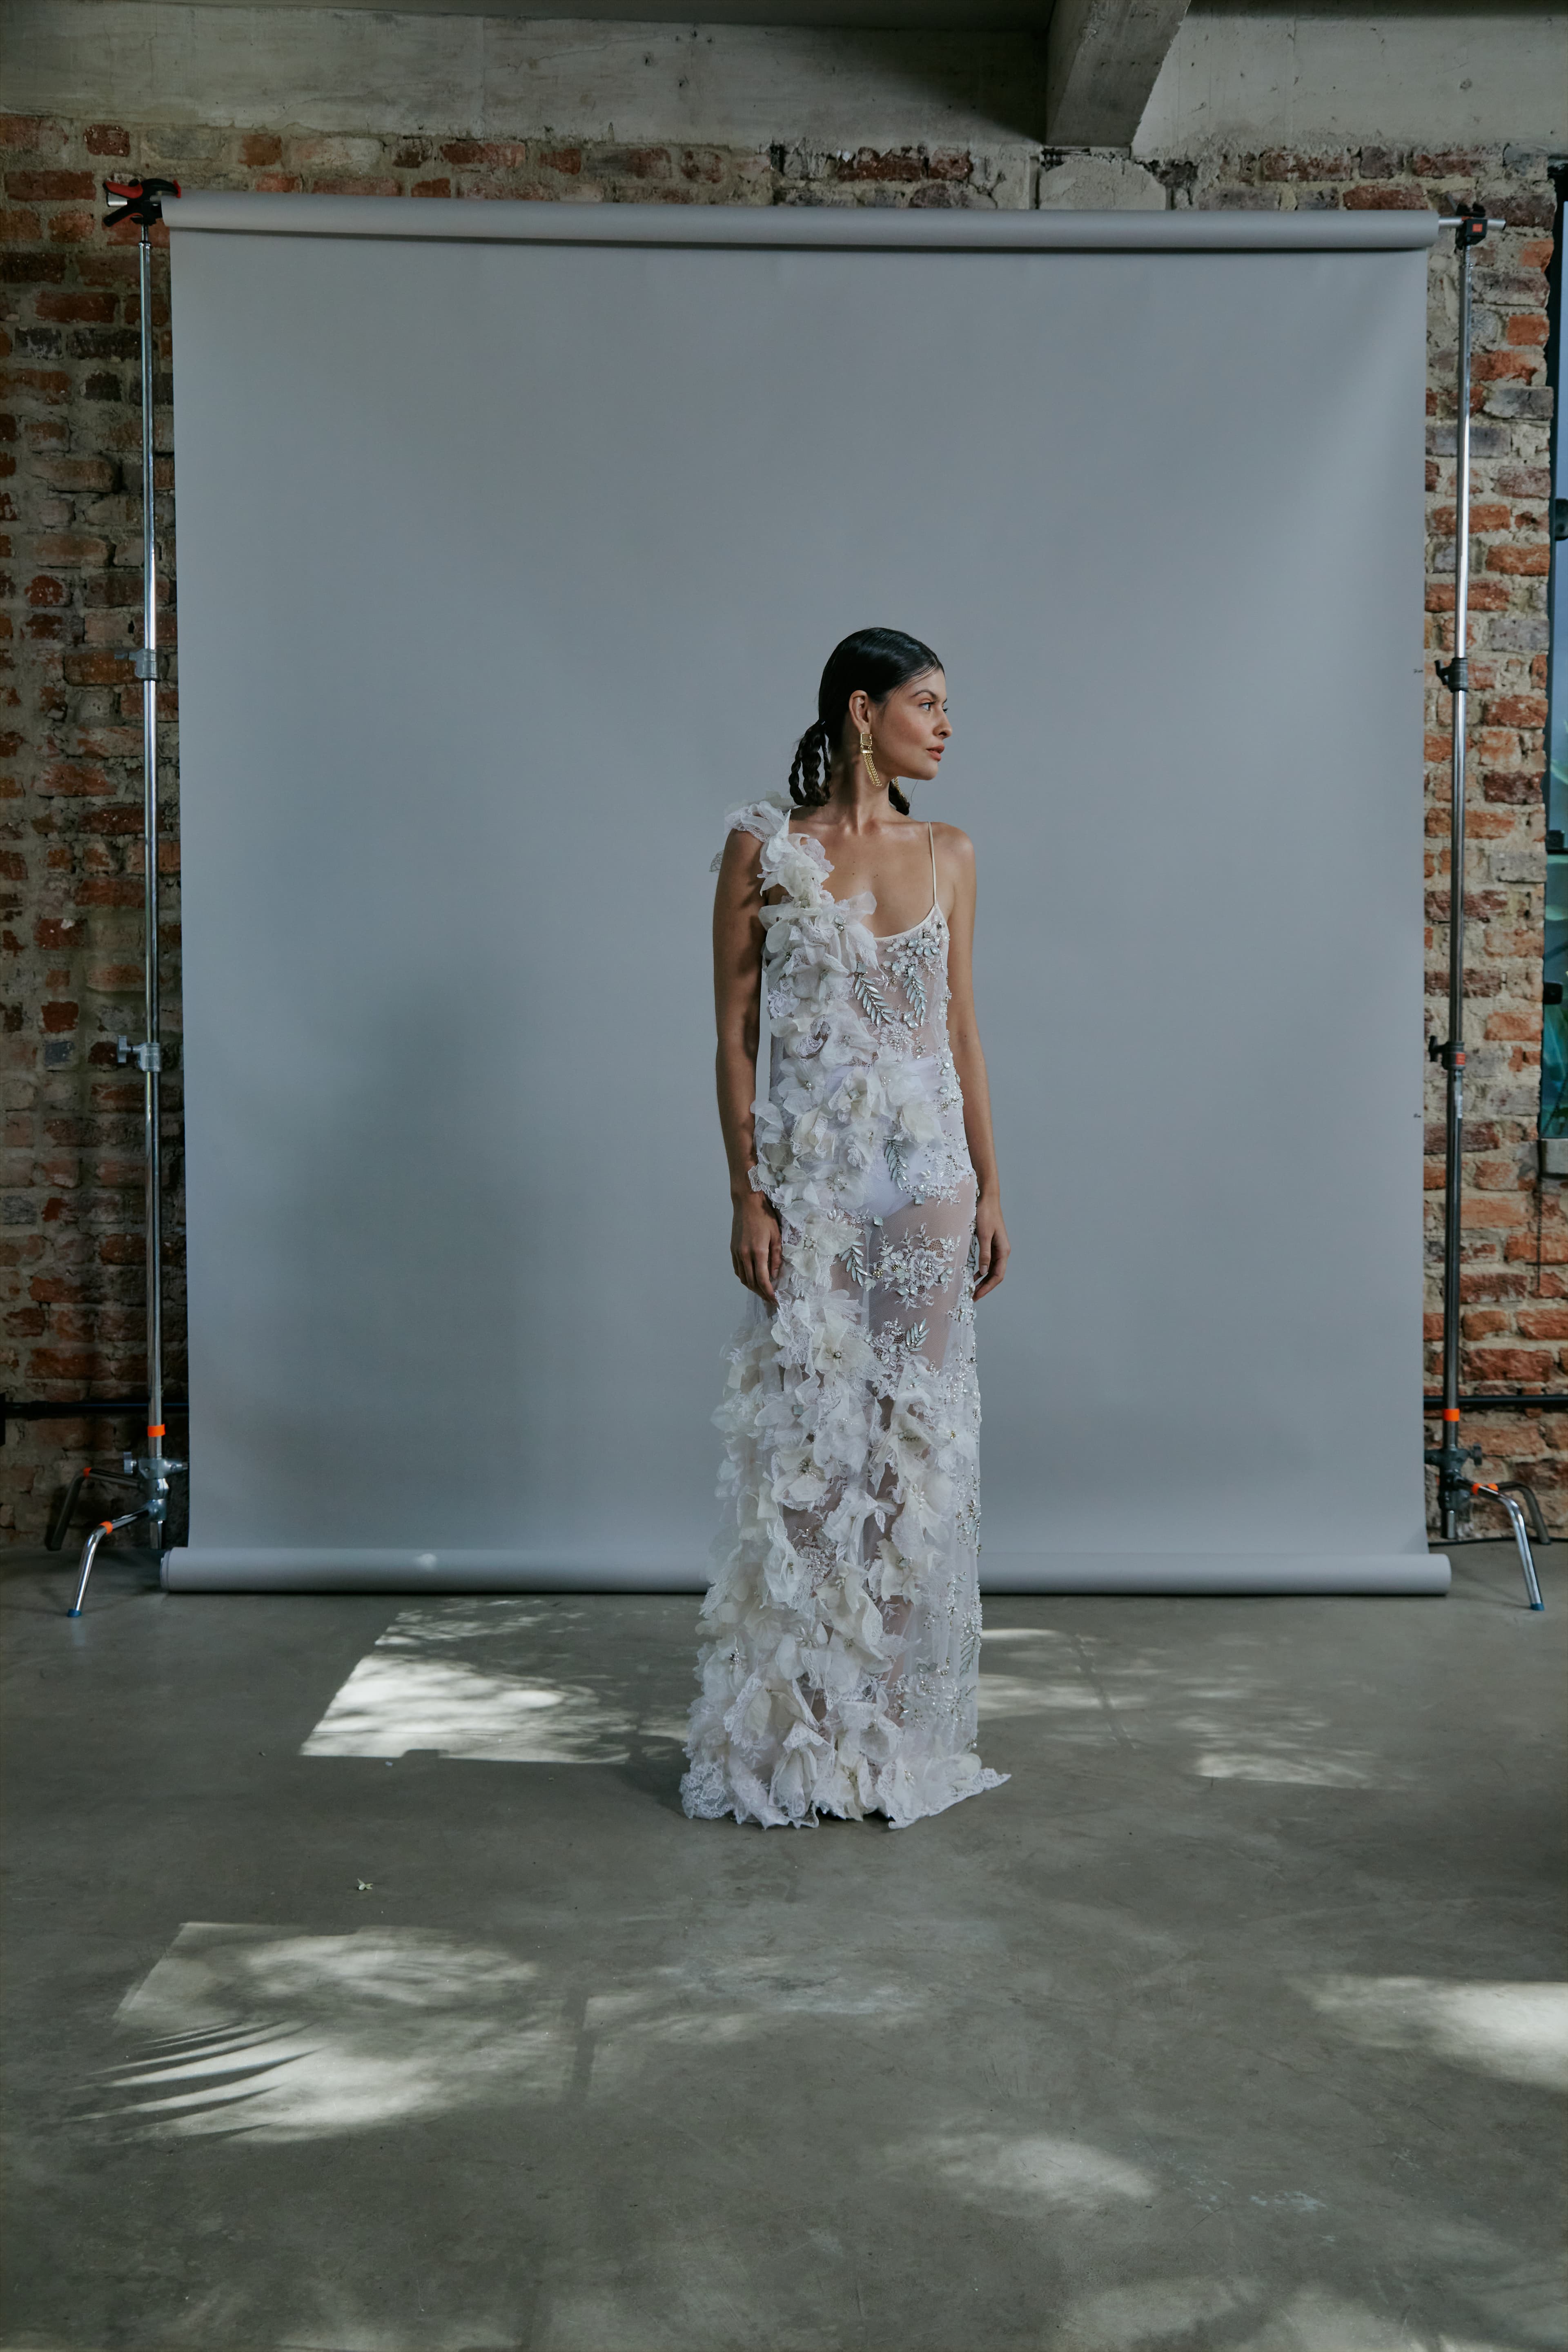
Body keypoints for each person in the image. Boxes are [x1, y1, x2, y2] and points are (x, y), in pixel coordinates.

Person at [681, 627, 1011, 1829]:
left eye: (947, 706)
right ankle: (808, 1733)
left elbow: (962, 1030)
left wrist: (991, 1185)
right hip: (811, 1191)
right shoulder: (764, 849)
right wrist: (744, 1194)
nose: (947, 725)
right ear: (862, 712)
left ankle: (896, 1737)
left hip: (925, 1184)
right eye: (928, 703)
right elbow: (732, 1036)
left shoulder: (951, 851)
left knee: (913, 1451)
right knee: (811, 1454)